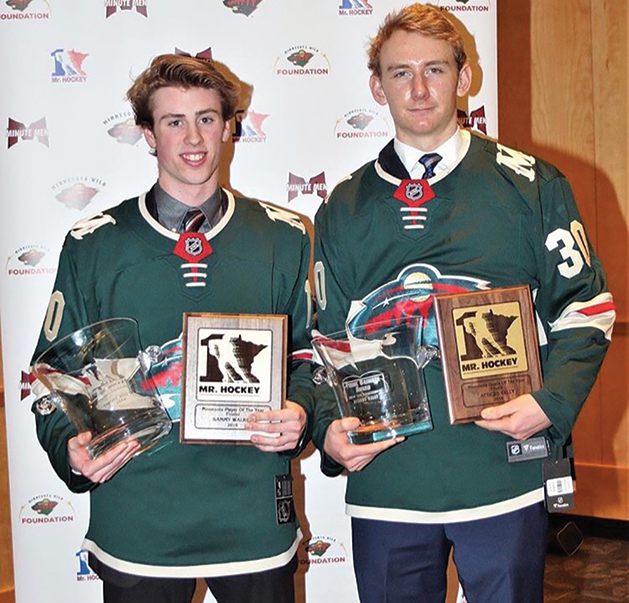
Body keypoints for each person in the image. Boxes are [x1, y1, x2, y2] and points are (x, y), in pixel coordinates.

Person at [312, 4, 616, 603]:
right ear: (378, 86)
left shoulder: (532, 185)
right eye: (400, 73)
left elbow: (586, 307)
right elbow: (325, 342)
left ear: (464, 78)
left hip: (503, 467)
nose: (419, 89)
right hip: (389, 477)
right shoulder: (342, 208)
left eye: (435, 70)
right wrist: (328, 429)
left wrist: (550, 404)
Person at [30, 54, 314, 603]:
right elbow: (51, 381)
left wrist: (299, 412)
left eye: (207, 118)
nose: (194, 137)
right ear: (147, 134)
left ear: (231, 126)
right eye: (173, 121)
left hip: (252, 514)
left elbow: (306, 361)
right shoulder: (94, 245)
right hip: (139, 519)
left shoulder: (283, 238)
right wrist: (71, 447)